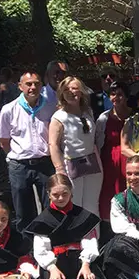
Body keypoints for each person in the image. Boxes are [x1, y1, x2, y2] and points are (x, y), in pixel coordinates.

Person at [25, 174, 107, 279]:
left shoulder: (82, 215)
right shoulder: (43, 220)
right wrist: (52, 268)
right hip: (55, 262)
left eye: (65, 194)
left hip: (79, 260)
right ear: (49, 194)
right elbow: (41, 250)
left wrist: (86, 264)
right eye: (56, 195)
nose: (61, 198)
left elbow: (89, 242)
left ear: (71, 192)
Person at [0, 71, 55, 233]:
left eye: (36, 83)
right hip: (20, 166)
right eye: (28, 84)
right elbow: (4, 141)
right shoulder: (9, 110)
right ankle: (26, 251)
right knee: (23, 212)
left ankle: (50, 246)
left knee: (50, 208)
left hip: (45, 163)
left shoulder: (50, 107)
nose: (33, 87)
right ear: (20, 86)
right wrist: (14, 159)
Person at [49, 77, 103, 219]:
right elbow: (53, 145)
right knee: (75, 204)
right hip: (71, 165)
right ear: (61, 93)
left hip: (92, 164)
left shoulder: (88, 112)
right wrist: (60, 170)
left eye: (74, 88)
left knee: (92, 204)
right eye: (66, 89)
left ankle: (93, 238)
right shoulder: (58, 117)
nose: (71, 92)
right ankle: (75, 239)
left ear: (81, 91)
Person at [95, 81, 132, 239]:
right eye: (113, 94)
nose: (116, 97)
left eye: (120, 94)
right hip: (109, 162)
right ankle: (110, 234)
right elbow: (97, 141)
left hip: (130, 159)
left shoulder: (133, 116)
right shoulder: (104, 118)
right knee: (109, 194)